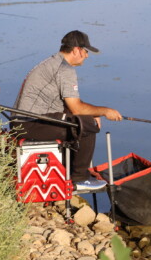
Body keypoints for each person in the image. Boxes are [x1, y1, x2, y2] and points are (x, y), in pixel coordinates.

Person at [11, 30, 122, 191]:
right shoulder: (65, 70)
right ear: (76, 50)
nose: (87, 56)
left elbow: (70, 104)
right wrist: (105, 111)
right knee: (86, 125)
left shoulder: (52, 62)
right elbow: (76, 108)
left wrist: (95, 111)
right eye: (85, 51)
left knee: (82, 119)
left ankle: (67, 171)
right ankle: (79, 178)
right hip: (30, 124)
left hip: (25, 122)